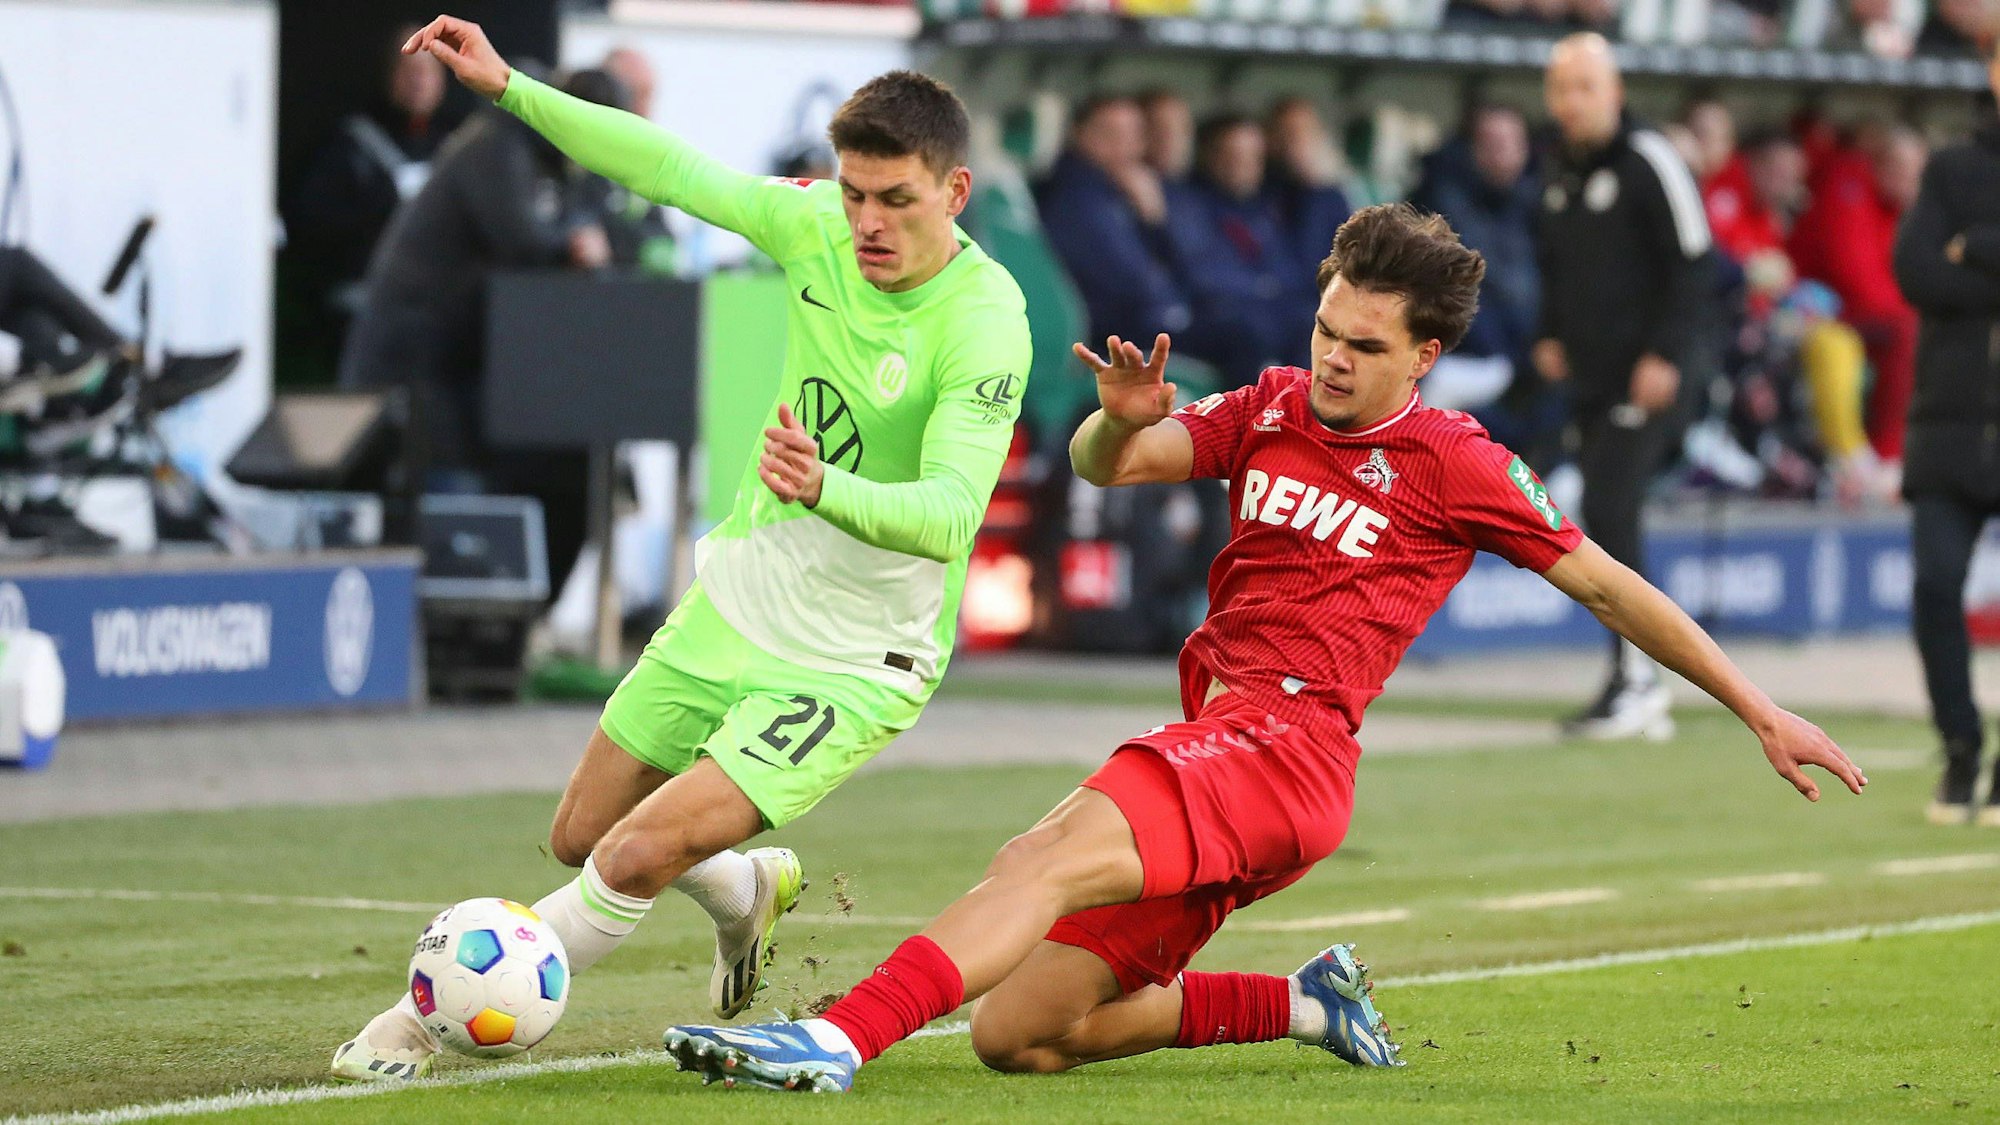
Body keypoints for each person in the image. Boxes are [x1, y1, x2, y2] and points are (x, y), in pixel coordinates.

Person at [655, 205, 1867, 1094]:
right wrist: (1112, 424)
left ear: (1423, 357)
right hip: (1227, 741)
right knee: (1019, 1034)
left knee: (1042, 856)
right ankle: (1301, 1003)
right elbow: (1113, 464)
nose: (1334, 356)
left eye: (1365, 346)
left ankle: (832, 1040)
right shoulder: (1273, 403)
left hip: (1286, 746)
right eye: (1327, 327)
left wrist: (1756, 708)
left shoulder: (1456, 462)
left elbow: (1607, 586)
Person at [330, 16, 1031, 1082]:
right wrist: (511, 88)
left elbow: (949, 514)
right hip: (745, 594)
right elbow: (667, 167)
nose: (867, 222)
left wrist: (826, 486)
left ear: (955, 191)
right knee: (581, 833)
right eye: (853, 193)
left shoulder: (985, 321)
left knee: (633, 853)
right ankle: (745, 887)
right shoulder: (814, 227)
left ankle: (418, 1022)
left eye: (895, 199)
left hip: (856, 656)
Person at [1536, 33, 1714, 742]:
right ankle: (1632, 675)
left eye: (1585, 87)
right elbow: (1554, 268)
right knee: (1600, 517)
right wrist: (1550, 333)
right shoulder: (1558, 173)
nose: (1571, 102)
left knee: (1610, 505)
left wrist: (1667, 354)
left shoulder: (1650, 160)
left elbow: (1695, 265)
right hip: (1592, 379)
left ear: (1614, 92)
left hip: (1652, 378)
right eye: (1561, 89)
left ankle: (1640, 680)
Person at [1892, 37, 2000, 826]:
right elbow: (1915, 270)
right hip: (1948, 425)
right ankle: (1960, 747)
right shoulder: (1952, 168)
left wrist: (1979, 248)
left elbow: (1948, 267)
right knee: (1934, 584)